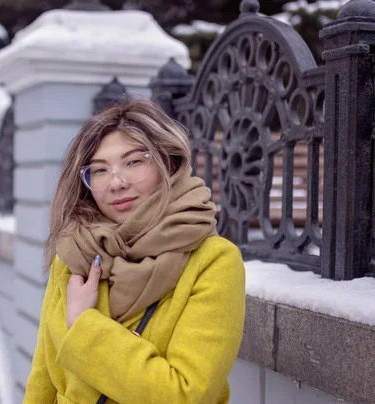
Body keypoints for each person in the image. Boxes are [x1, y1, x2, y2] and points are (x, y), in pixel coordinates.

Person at [24, 97, 246, 404]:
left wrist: (85, 327)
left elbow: (187, 394)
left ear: (168, 164)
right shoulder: (74, 254)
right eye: (100, 171)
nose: (116, 183)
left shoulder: (213, 261)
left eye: (133, 162)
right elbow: (43, 378)